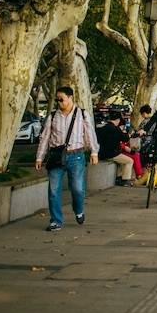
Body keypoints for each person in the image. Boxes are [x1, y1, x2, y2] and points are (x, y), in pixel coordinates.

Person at [35, 86, 99, 232]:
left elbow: (90, 134)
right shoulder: (52, 116)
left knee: (77, 188)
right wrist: (40, 157)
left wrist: (94, 152)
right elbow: (45, 137)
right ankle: (56, 220)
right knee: (53, 189)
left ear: (70, 98)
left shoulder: (82, 114)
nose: (59, 102)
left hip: (76, 156)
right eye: (57, 100)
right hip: (56, 157)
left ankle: (79, 210)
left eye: (61, 99)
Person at [96, 110, 135, 186]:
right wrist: (129, 135)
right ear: (117, 120)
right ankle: (125, 180)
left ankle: (119, 177)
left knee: (122, 161)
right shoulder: (115, 129)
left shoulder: (103, 128)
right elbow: (125, 138)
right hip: (112, 154)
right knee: (129, 161)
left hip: (102, 153)